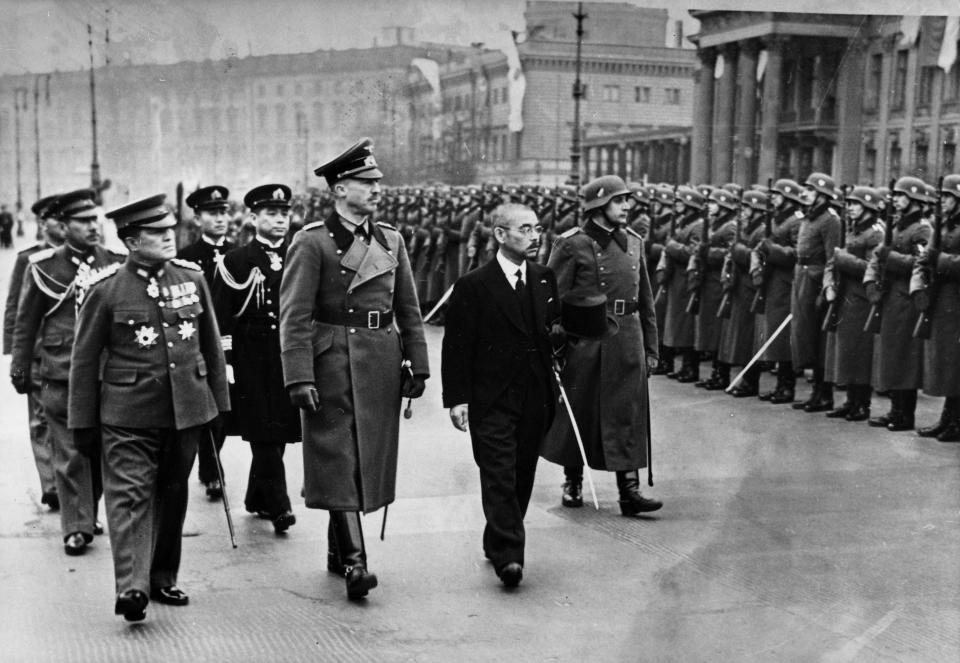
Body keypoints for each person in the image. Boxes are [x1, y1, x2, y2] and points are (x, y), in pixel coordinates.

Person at [67, 193, 229, 622]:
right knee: (130, 496)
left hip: (187, 409)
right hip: (127, 414)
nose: (169, 238)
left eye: (169, 230)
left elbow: (210, 347)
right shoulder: (106, 290)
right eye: (157, 233)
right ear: (131, 241)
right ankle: (132, 587)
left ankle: (161, 578)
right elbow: (83, 361)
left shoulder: (191, 279)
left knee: (172, 495)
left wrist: (220, 409)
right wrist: (81, 423)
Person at [279, 138, 429, 600]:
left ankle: (336, 548)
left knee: (363, 459)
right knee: (338, 457)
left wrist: (418, 364)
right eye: (367, 182)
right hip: (333, 363)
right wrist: (299, 375)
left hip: (379, 360)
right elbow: (294, 315)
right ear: (339, 189)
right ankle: (354, 563)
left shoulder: (391, 240)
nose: (377, 189)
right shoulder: (312, 243)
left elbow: (408, 307)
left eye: (377, 181)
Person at [442, 202, 560, 588]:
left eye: (537, 229)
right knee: (498, 473)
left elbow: (551, 332)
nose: (534, 237)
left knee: (522, 472)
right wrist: (457, 398)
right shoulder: (474, 285)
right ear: (500, 235)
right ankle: (510, 555)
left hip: (535, 395)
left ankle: (498, 539)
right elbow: (457, 346)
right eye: (524, 229)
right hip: (491, 398)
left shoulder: (544, 279)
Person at [10, 189, 126, 555]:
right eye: (84, 221)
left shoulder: (118, 262)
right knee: (70, 449)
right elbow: (26, 323)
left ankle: (87, 510)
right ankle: (76, 526)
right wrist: (20, 367)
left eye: (96, 220)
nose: (94, 227)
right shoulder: (43, 266)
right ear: (63, 225)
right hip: (60, 371)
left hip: (107, 373)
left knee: (100, 447)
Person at [542, 175, 662, 516]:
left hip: (627, 337)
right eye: (619, 200)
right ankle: (573, 481)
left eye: (627, 200)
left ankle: (630, 491)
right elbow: (552, 299)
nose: (627, 207)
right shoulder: (571, 244)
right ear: (598, 205)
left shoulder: (635, 242)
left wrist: (651, 348)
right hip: (587, 340)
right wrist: (556, 343)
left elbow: (646, 299)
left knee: (627, 413)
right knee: (579, 411)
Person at [213, 184, 302, 533]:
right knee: (262, 429)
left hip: (286, 352)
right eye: (271, 214)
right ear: (253, 218)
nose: (280, 220)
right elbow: (222, 315)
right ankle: (280, 506)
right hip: (252, 355)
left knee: (277, 428)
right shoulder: (236, 260)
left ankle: (256, 496)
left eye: (284, 214)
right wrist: (228, 360)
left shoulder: (298, 254)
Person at [3, 194, 64, 510]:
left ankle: (70, 483)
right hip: (41, 353)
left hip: (76, 353)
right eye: (57, 219)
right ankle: (52, 485)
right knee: (41, 421)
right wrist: (16, 356)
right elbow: (15, 306)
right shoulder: (29, 259)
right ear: (43, 224)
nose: (64, 225)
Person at [179, 185, 235, 500]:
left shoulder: (239, 252)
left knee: (226, 408)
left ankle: (209, 463)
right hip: (200, 340)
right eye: (212, 214)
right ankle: (212, 471)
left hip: (232, 340)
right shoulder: (187, 258)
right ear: (198, 219)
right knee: (207, 405)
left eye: (223, 212)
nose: (220, 219)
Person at [864, 176, 932, 431]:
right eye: (897, 196)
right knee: (892, 354)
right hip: (892, 296)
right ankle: (895, 409)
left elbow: (920, 264)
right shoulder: (897, 225)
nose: (898, 200)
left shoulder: (922, 229)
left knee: (906, 355)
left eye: (903, 196)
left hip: (907, 297)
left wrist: (889, 257)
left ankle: (906, 414)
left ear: (915, 200)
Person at [822, 186, 883, 421]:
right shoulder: (854, 230)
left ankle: (862, 404)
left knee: (860, 351)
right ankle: (850, 400)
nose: (852, 208)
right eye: (850, 204)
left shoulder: (875, 233)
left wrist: (843, 259)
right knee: (847, 351)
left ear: (868, 207)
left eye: (857, 204)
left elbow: (872, 268)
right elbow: (834, 260)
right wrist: (829, 283)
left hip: (862, 298)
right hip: (846, 296)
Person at [911, 174, 960, 441]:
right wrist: (918, 285)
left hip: (956, 299)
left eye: (949, 197)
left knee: (956, 362)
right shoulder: (940, 225)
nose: (943, 201)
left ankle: (956, 421)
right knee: (947, 361)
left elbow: (938, 257)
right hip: (941, 299)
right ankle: (948, 418)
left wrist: (940, 260)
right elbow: (923, 258)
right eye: (942, 197)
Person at [790, 173, 842, 413]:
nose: (806, 194)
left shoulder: (830, 220)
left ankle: (824, 395)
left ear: (822, 195)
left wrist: (826, 287)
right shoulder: (809, 217)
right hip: (803, 278)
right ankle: (815, 392)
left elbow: (833, 257)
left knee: (819, 340)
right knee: (805, 335)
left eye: (810, 190)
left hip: (817, 280)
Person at [753, 179, 804, 403]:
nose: (773, 197)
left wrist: (771, 249)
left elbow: (795, 254)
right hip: (773, 282)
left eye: (778, 194)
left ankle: (787, 386)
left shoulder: (796, 221)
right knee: (775, 334)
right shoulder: (777, 219)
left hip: (786, 283)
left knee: (785, 337)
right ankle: (780, 384)